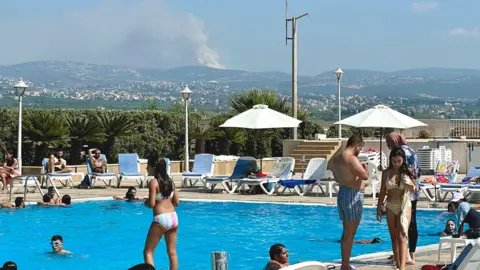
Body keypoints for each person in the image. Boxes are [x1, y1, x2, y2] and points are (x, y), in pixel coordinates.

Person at [327, 135, 369, 270]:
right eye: (360, 149)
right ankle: (345, 264)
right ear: (357, 146)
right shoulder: (351, 158)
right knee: (350, 232)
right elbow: (365, 176)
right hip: (352, 195)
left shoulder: (336, 158)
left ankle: (346, 263)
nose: (359, 151)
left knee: (347, 231)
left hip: (343, 193)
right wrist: (364, 169)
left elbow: (337, 178)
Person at [376, 147, 417, 270]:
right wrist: (378, 208)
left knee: (402, 236)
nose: (396, 164)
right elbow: (383, 192)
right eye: (394, 161)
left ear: (403, 160)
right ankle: (398, 265)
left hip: (404, 205)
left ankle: (403, 268)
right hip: (390, 206)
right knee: (394, 237)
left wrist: (409, 182)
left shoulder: (408, 171)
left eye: (399, 161)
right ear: (390, 160)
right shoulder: (386, 172)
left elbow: (414, 190)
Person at [385, 132, 420, 264]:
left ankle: (404, 258)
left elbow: (406, 172)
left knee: (403, 229)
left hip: (406, 193)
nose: (388, 146)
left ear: (394, 141)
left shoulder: (401, 152)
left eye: (389, 143)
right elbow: (418, 171)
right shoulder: (411, 150)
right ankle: (410, 255)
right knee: (411, 225)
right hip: (412, 191)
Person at [143, 157, 179, 269]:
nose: (146, 168)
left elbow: (152, 204)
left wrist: (146, 203)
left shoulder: (153, 182)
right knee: (172, 253)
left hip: (161, 219)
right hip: (173, 217)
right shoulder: (171, 182)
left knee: (148, 252)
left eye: (148, 165)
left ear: (154, 167)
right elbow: (176, 203)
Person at [309, 237, 383, 244]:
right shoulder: (367, 243)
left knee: (334, 241)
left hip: (351, 241)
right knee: (332, 242)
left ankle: (319, 240)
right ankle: (318, 240)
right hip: (350, 241)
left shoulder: (368, 241)